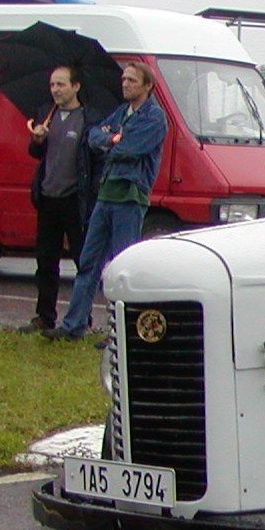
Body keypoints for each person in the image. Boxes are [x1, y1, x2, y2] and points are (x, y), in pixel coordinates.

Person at [44, 62, 166, 340]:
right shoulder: (122, 112)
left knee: (122, 268)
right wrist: (111, 138)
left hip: (130, 196)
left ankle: (120, 333)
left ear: (147, 86)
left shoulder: (154, 118)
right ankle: (73, 325)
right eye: (124, 79)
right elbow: (93, 136)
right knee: (88, 262)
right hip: (105, 194)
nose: (125, 84)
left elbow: (130, 149)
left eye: (132, 80)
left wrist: (110, 142)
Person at [21, 65, 107, 332]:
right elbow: (37, 154)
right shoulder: (46, 115)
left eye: (61, 84)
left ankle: (83, 316)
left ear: (76, 86)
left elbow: (96, 160)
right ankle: (44, 316)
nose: (56, 90)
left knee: (83, 260)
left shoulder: (89, 118)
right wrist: (36, 140)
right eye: (53, 85)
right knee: (46, 261)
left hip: (75, 200)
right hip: (48, 197)